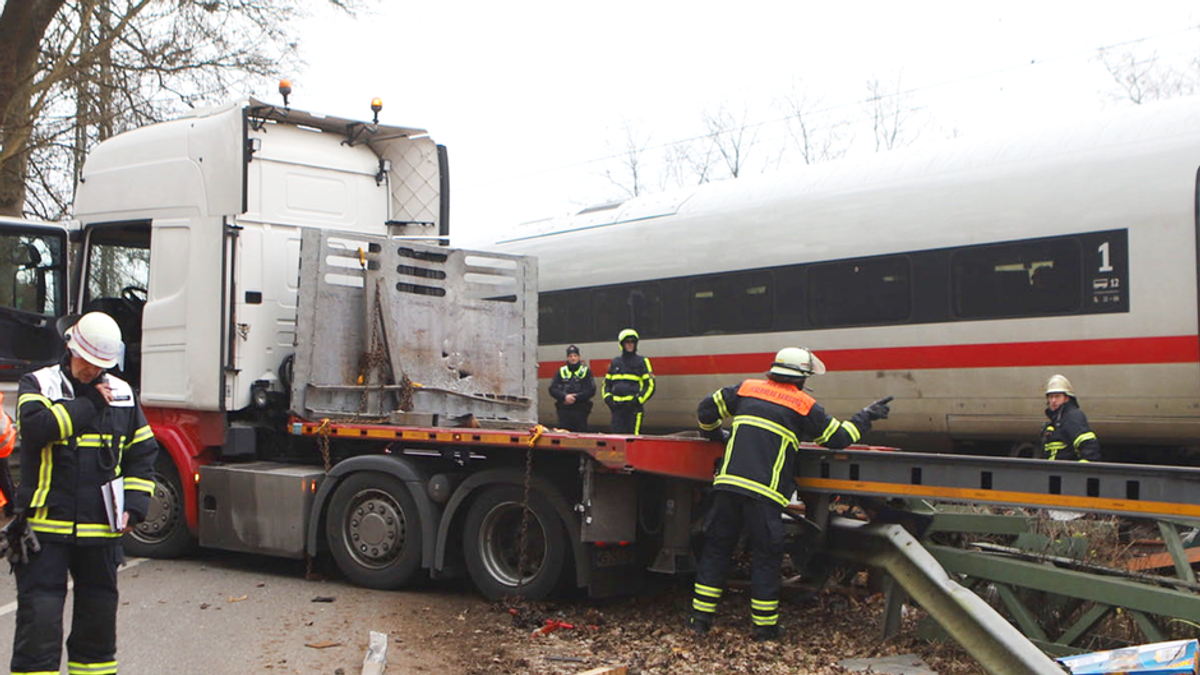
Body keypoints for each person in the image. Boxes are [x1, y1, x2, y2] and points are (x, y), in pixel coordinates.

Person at [689, 347, 892, 641]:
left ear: (773, 371)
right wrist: (867, 416)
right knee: (767, 557)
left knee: (717, 551)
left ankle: (699, 621)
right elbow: (839, 439)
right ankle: (764, 627)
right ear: (800, 379)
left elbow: (706, 410)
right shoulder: (803, 405)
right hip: (763, 494)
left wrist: (712, 434)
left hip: (728, 487)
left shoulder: (746, 389)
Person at [11, 312, 159, 675]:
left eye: (99, 366)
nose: (92, 371)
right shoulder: (38, 384)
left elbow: (143, 453)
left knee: (97, 628)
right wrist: (90, 403)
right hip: (45, 529)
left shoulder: (123, 395)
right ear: (70, 348)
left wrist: (136, 506)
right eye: (87, 362)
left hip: (101, 532)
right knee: (39, 624)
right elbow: (36, 428)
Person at [602, 328, 655, 434]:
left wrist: (637, 401)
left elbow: (650, 386)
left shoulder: (642, 362)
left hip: (633, 410)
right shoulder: (615, 362)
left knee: (632, 440)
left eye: (632, 342)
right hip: (617, 409)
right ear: (622, 345)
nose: (630, 345)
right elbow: (606, 385)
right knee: (616, 440)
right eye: (627, 342)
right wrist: (608, 399)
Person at [1039, 374, 1100, 462]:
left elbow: (1089, 447)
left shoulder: (1073, 417)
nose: (1053, 401)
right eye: (1051, 397)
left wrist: (1080, 471)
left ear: (1067, 398)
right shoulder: (1056, 420)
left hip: (1067, 474)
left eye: (1057, 396)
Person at [548, 345, 596, 432]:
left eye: (575, 356)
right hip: (564, 410)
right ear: (567, 358)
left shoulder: (586, 371)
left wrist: (576, 398)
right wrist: (564, 397)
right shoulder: (561, 371)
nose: (573, 358)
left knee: (580, 435)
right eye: (570, 356)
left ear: (579, 357)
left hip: (580, 410)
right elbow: (552, 389)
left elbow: (591, 390)